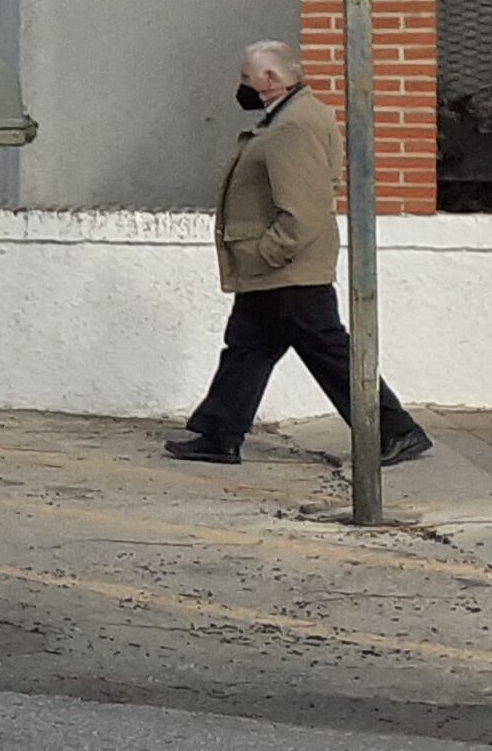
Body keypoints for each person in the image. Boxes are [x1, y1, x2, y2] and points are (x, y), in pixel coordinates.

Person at [171, 42, 431, 467]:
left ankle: (395, 430)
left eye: (246, 77)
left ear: (271, 80)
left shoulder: (295, 125)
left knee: (326, 351)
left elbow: (304, 210)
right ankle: (219, 434)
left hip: (289, 270)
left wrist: (268, 252)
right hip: (274, 271)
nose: (242, 86)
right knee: (247, 347)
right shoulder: (286, 118)